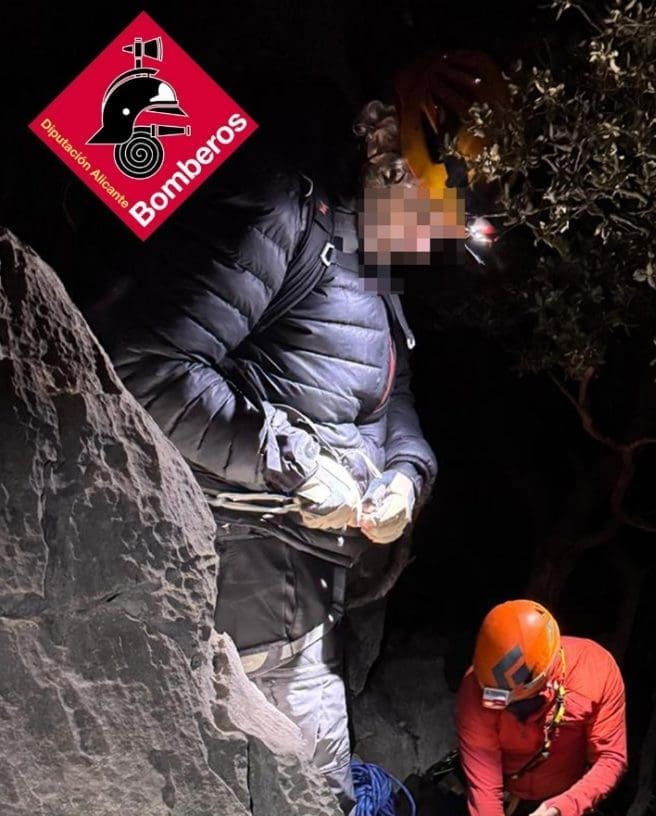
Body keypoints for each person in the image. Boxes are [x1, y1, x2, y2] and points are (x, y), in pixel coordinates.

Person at [98, 52, 506, 814]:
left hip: (310, 613)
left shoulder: (376, 280)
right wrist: (294, 463)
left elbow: (392, 404)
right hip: (225, 601)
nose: (428, 237)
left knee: (322, 798)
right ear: (380, 147)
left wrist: (406, 479)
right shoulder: (282, 212)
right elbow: (145, 367)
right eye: (425, 208)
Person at [456, 600, 627, 816]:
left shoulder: (595, 670)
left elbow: (610, 758)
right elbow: (484, 781)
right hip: (509, 793)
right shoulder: (476, 689)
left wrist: (560, 808)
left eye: (512, 699)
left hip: (569, 795)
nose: (499, 702)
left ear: (544, 679)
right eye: (494, 696)